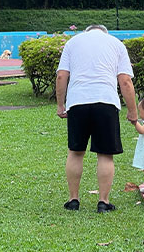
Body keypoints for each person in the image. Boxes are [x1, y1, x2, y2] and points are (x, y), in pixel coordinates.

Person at [56, 24, 138, 213]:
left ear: (87, 31)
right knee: (105, 154)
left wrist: (61, 105)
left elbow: (61, 76)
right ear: (104, 31)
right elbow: (125, 81)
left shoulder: (72, 42)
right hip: (106, 102)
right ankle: (103, 201)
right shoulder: (116, 44)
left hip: (77, 102)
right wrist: (132, 111)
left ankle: (73, 199)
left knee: (75, 151)